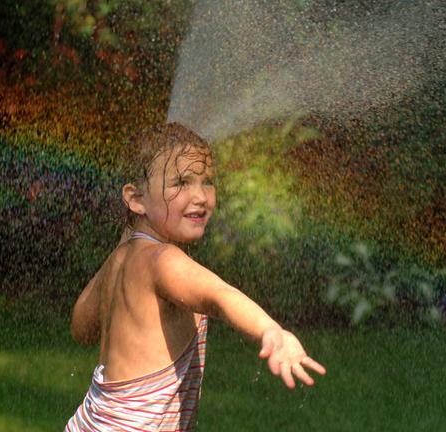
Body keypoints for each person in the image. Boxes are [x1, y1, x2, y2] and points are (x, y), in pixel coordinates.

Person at [65, 123, 326, 431]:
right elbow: (219, 295)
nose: (200, 196)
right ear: (136, 199)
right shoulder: (163, 260)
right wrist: (270, 330)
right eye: (181, 182)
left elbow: (81, 328)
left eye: (207, 182)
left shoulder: (121, 257)